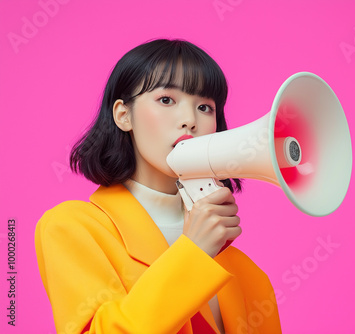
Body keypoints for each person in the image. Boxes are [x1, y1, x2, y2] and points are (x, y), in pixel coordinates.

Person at [35, 39, 282, 334]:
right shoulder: (72, 228)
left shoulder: (249, 276)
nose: (190, 120)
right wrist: (193, 253)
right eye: (166, 100)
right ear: (123, 115)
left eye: (205, 107)